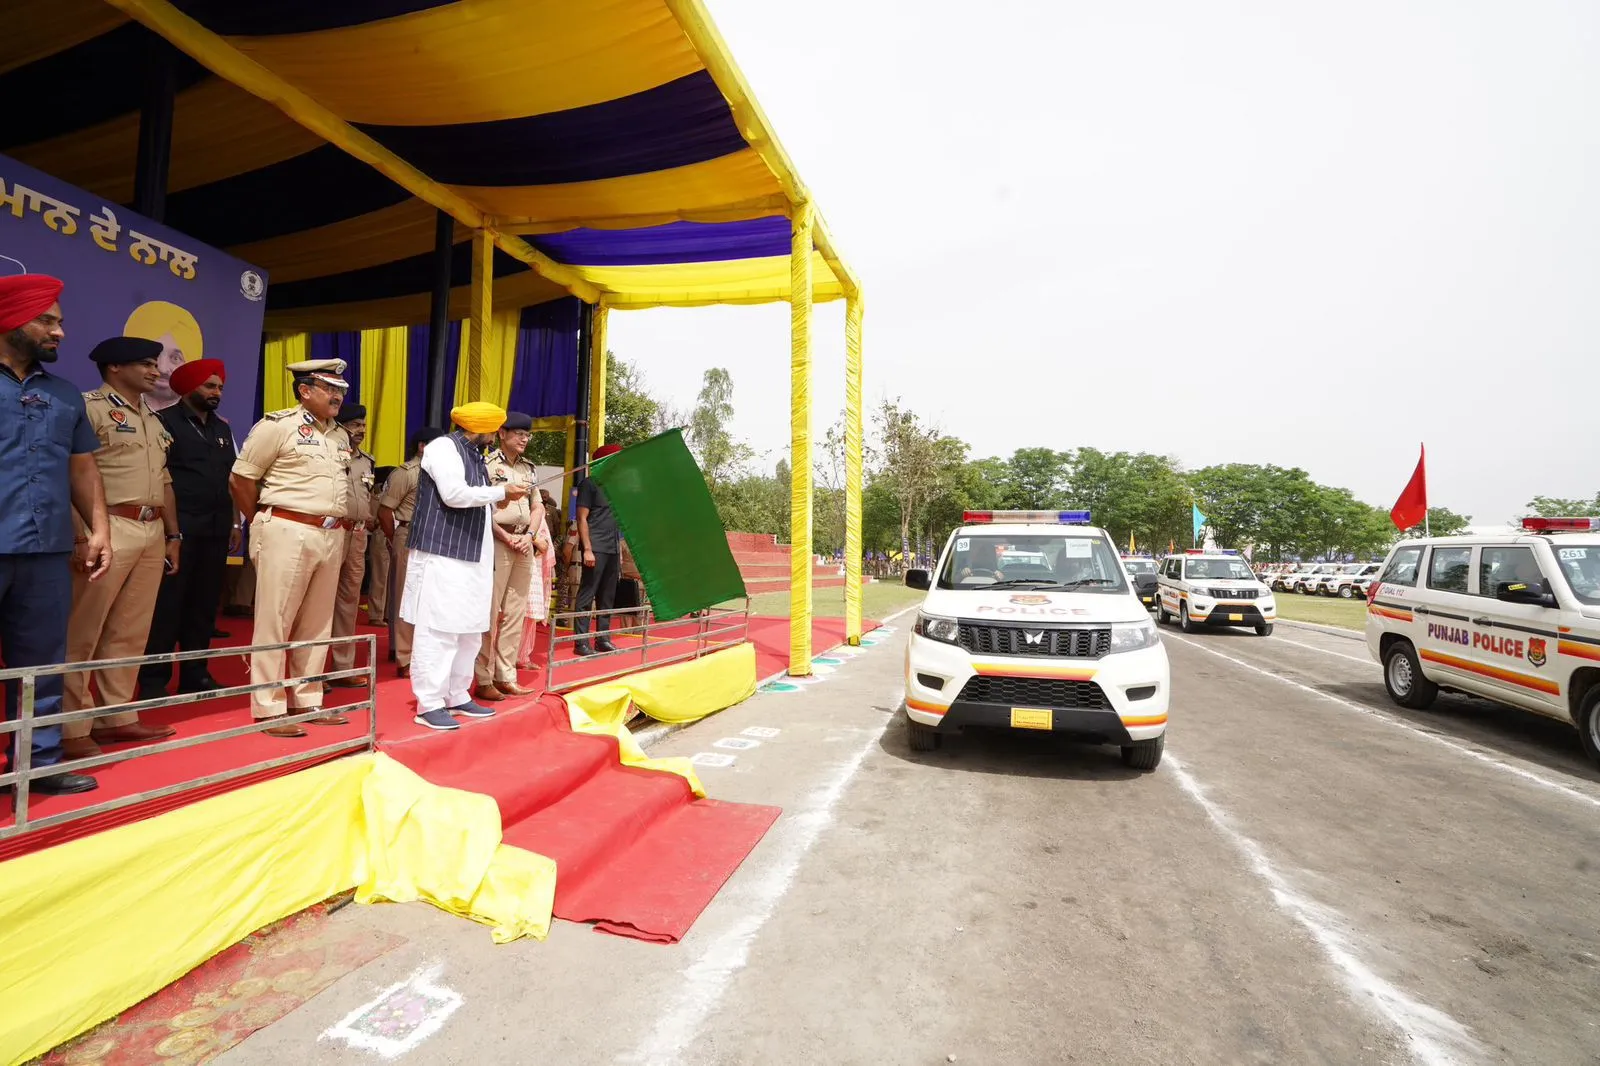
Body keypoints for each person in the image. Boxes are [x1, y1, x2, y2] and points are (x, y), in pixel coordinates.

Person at [0, 275, 109, 794]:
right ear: (8, 319)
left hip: (46, 551)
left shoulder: (64, 394)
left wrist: (100, 528)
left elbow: (82, 467)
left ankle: (35, 766)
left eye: (60, 321)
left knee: (41, 666)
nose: (60, 332)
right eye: (47, 320)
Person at [59, 337, 184, 758]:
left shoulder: (153, 416)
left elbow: (164, 481)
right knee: (82, 630)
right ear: (114, 367)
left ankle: (116, 717)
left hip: (150, 529)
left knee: (130, 629)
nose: (155, 371)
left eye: (154, 363)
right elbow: (70, 475)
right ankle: (71, 727)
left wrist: (173, 535)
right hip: (106, 525)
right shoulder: (89, 407)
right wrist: (81, 535)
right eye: (145, 364)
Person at [229, 358, 353, 737]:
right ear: (304, 390)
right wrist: (261, 519)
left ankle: (308, 699)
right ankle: (269, 706)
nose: (337, 396)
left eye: (340, 390)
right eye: (329, 389)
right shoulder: (277, 426)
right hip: (287, 527)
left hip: (330, 532)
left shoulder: (340, 435)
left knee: (317, 622)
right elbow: (241, 480)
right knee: (276, 620)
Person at [401, 403, 528, 731]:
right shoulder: (443, 448)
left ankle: (457, 695)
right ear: (481, 427)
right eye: (494, 429)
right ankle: (429, 703)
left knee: (470, 629)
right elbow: (454, 495)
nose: (495, 435)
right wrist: (500, 490)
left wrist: (498, 498)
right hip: (443, 553)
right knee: (439, 630)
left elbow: (475, 498)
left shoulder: (474, 454)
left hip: (473, 557)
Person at [138, 357, 240, 701]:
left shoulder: (222, 428)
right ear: (188, 388)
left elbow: (231, 479)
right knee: (167, 606)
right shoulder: (163, 422)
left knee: (204, 606)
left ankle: (195, 675)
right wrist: (172, 532)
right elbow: (159, 479)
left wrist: (235, 521)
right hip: (178, 531)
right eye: (209, 386)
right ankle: (153, 681)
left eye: (220, 387)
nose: (216, 393)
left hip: (216, 529)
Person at [475, 412, 538, 701]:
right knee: (490, 611)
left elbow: (537, 506)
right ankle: (483, 677)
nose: (524, 439)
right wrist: (505, 536)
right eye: (519, 434)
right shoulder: (486, 465)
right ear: (502, 434)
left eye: (527, 435)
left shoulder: (528, 468)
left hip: (524, 542)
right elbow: (481, 508)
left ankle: (506, 675)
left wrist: (529, 535)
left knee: (515, 612)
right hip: (497, 541)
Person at [378, 428, 443, 679]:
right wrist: (393, 538)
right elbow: (385, 511)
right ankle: (403, 655)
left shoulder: (440, 473)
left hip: (434, 540)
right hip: (408, 535)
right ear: (422, 446)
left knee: (429, 598)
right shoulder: (405, 473)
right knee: (405, 596)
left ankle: (421, 652)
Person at [327, 404, 376, 689]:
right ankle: (311, 669)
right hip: (332, 530)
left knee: (349, 601)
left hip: (358, 534)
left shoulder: (367, 461)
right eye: (355, 425)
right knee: (320, 601)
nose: (361, 430)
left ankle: (342, 668)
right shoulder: (329, 453)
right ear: (340, 426)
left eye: (363, 426)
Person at [573, 442, 624, 656]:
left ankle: (603, 639)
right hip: (595, 547)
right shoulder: (589, 484)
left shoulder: (616, 488)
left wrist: (618, 552)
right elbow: (581, 519)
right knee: (587, 594)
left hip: (612, 548)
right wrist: (587, 549)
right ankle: (581, 642)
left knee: (607, 597)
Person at [366, 465, 395, 625]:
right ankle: (376, 615)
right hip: (381, 533)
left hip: (395, 533)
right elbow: (372, 521)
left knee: (392, 576)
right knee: (380, 575)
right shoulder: (377, 495)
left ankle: (388, 613)